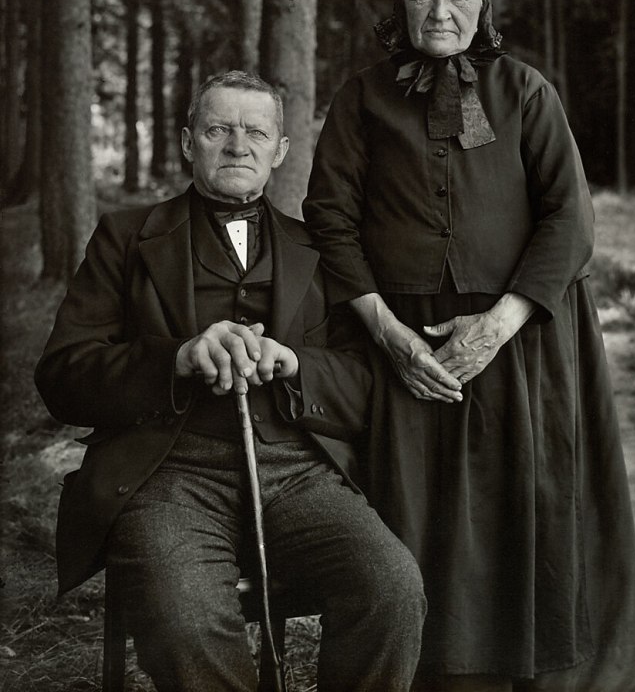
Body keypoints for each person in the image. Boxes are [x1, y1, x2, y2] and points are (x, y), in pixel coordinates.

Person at [303, 0, 635, 691]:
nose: (441, 10)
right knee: (417, 515)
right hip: (403, 346)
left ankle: (536, 671)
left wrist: (499, 324)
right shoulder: (363, 98)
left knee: (522, 502)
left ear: (483, 5)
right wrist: (386, 333)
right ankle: (432, 674)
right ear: (400, 2)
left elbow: (571, 215)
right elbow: (329, 216)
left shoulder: (525, 90)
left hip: (520, 340)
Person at [35, 71, 426, 692]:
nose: (238, 145)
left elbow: (363, 386)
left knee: (392, 589)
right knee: (185, 622)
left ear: (281, 150)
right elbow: (62, 376)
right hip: (168, 475)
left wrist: (297, 363)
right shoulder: (125, 237)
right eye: (218, 129)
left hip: (298, 471)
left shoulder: (318, 249)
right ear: (189, 142)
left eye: (255, 132)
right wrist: (178, 357)